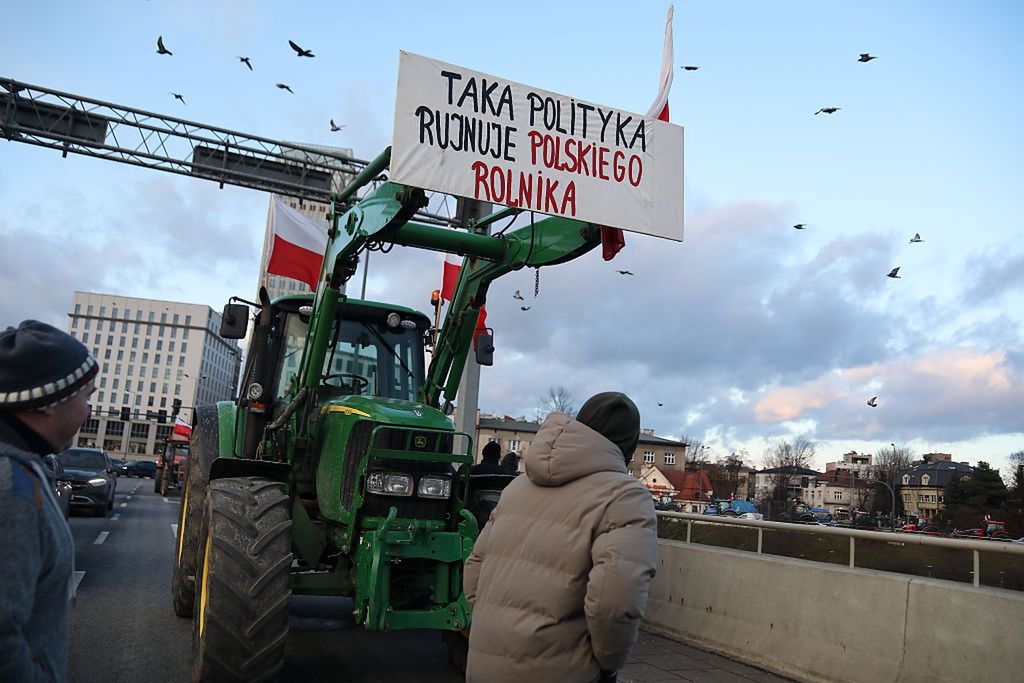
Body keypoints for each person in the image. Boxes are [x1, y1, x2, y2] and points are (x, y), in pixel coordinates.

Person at [464, 392, 657, 683]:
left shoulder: (518, 488)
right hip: (563, 670)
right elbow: (616, 601)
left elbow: (475, 566)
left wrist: (490, 626)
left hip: (486, 662)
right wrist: (607, 662)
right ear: (628, 446)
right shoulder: (625, 497)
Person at [0, 320, 98, 682]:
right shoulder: (10, 486)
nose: (88, 412)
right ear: (45, 403)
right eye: (85, 397)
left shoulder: (24, 466)